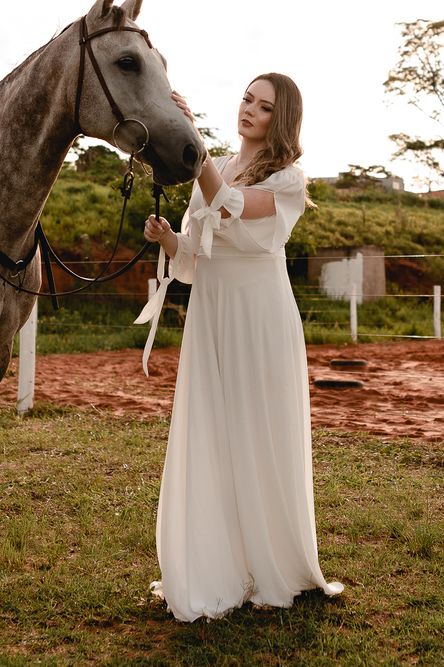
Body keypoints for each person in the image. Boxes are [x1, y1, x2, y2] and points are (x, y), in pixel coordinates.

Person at [136, 73, 343, 621]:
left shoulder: (289, 180)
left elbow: (228, 208)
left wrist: (191, 140)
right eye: (247, 99)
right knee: (214, 427)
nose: (249, 110)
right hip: (212, 310)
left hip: (258, 316)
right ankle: (217, 561)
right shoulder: (223, 162)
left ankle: (269, 562)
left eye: (264, 106)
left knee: (256, 431)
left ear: (283, 119)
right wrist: (168, 240)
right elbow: (202, 249)